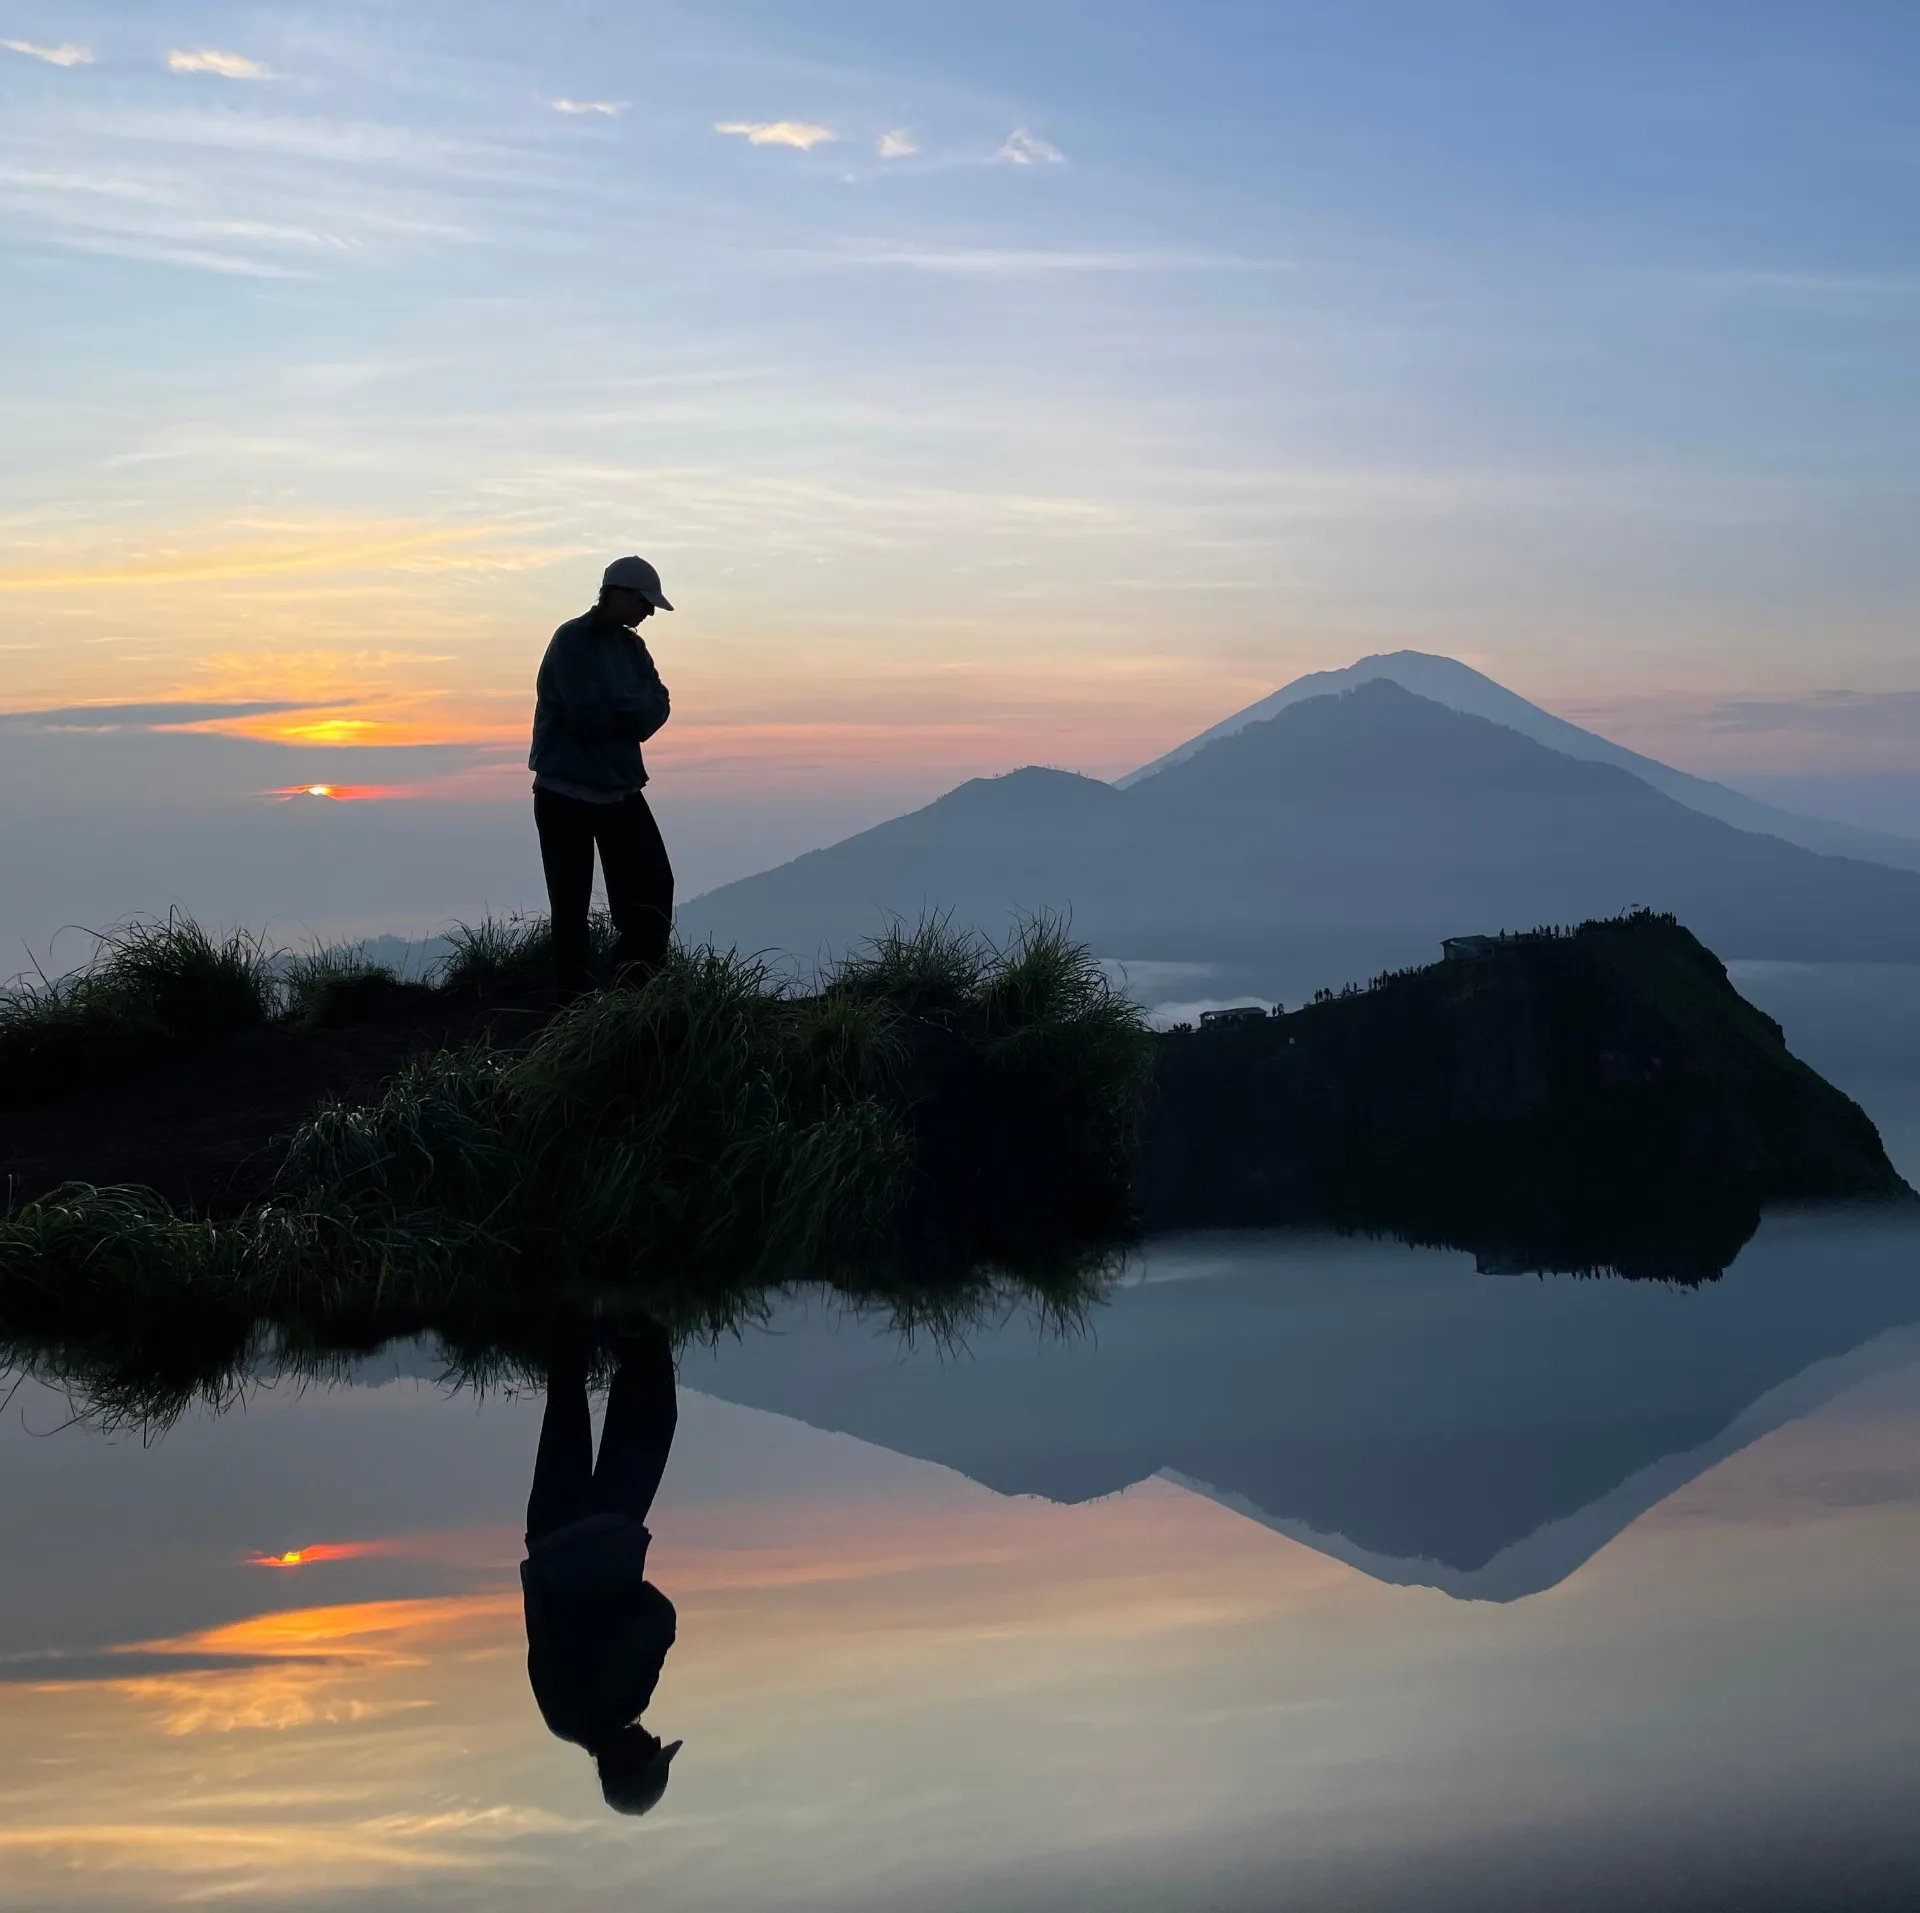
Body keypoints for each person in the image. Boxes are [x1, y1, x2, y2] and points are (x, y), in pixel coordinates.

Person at [522, 1313, 683, 1816]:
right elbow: (541, 1635)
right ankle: (578, 1302)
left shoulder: (625, 1699)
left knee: (653, 1417)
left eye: (652, 1749)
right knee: (566, 1403)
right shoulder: (560, 1718)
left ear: (631, 1760)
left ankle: (631, 1313)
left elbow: (656, 1620)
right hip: (548, 1536)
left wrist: (632, 1599)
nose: (654, 1737)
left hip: (608, 1532)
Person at [529, 555, 677, 997]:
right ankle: (572, 1009)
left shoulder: (633, 648)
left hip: (620, 791)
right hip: (564, 795)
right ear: (615, 594)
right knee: (570, 906)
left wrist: (622, 707)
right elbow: (588, 716)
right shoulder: (571, 640)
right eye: (643, 602)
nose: (648, 613)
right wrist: (631, 709)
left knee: (652, 891)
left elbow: (659, 705)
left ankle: (632, 994)